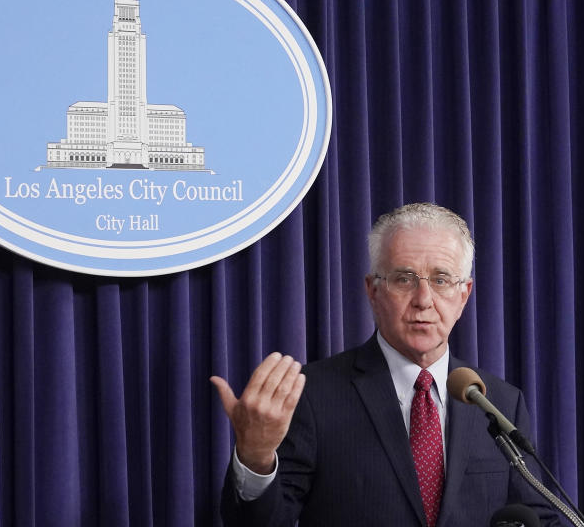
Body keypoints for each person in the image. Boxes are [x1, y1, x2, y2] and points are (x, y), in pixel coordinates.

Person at [211, 203, 564, 526]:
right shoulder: (312, 395)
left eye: (441, 280)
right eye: (404, 279)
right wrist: (256, 458)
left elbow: (536, 514)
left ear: (464, 295)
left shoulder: (500, 403)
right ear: (373, 290)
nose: (423, 300)